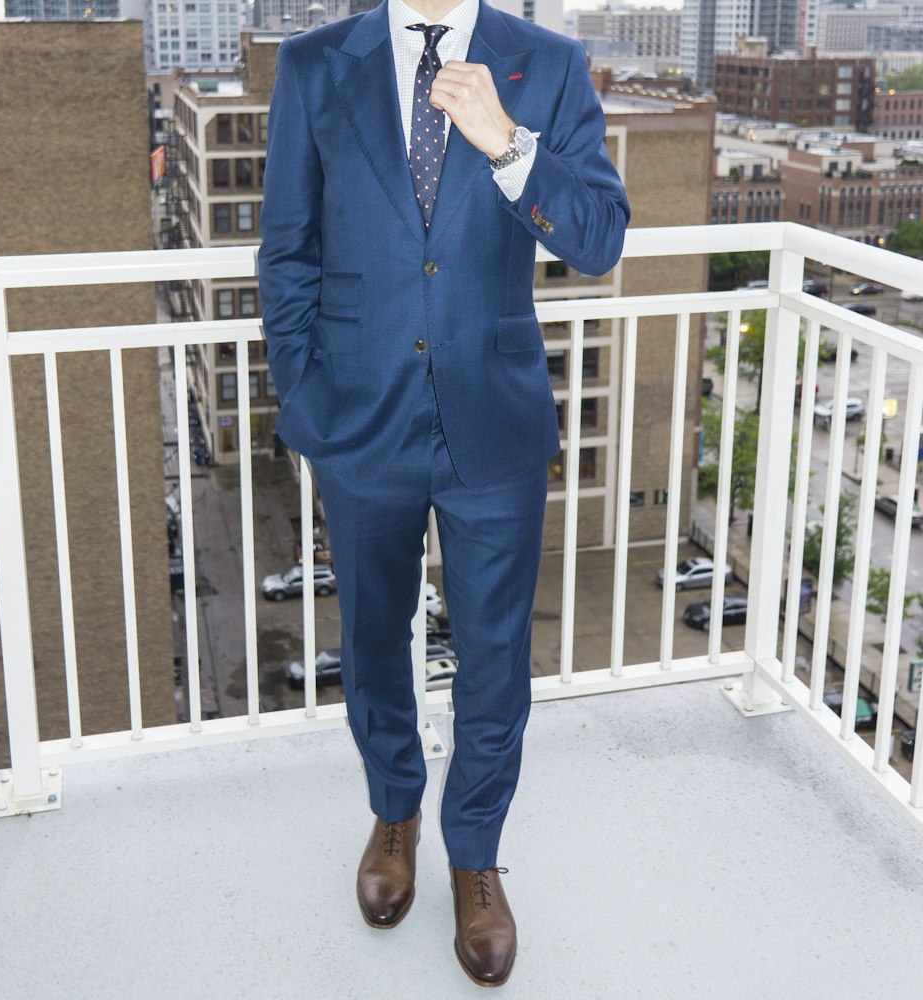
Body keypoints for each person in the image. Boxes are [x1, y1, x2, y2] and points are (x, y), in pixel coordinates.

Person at [258, 0, 629, 986]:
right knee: (373, 636)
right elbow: (287, 250)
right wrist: (306, 394)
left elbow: (597, 237)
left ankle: (474, 856)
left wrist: (508, 147)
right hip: (360, 423)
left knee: (494, 660)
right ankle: (393, 810)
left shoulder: (544, 62)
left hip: (491, 425)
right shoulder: (310, 65)